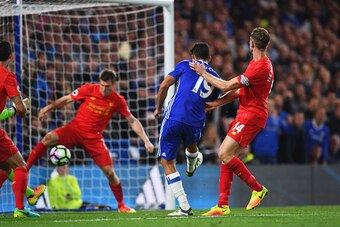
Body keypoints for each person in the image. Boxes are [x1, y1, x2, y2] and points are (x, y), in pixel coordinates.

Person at [25, 69, 155, 213]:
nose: (104, 89)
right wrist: (47, 108)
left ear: (114, 85)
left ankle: (121, 205)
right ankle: (26, 168)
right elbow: (67, 99)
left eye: (108, 86)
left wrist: (146, 141)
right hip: (75, 129)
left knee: (110, 172)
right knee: (48, 138)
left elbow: (132, 120)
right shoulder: (88, 89)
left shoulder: (117, 100)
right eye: (102, 85)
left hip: (94, 138)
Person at [190, 27, 273, 216]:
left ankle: (257, 189)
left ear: (251, 43)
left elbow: (227, 85)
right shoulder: (259, 64)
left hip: (252, 115)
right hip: (247, 113)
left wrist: (203, 73)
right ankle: (222, 205)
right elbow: (238, 91)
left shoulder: (259, 68)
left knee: (224, 153)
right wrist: (217, 103)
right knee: (227, 156)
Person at [154, 42, 221, 216]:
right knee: (191, 144)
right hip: (196, 121)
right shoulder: (215, 77)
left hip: (174, 117)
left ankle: (184, 206)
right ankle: (192, 165)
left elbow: (164, 86)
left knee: (167, 161)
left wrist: (157, 108)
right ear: (210, 58)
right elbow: (209, 102)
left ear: (193, 56)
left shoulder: (185, 65)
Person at [0, 40, 43, 217]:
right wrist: (22, 109)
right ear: (11, 56)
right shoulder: (7, 76)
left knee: (4, 168)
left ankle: (31, 195)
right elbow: (20, 108)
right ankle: (20, 208)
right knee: (20, 166)